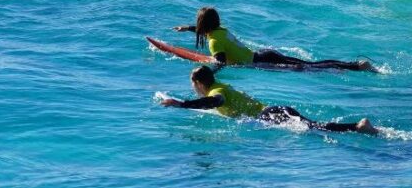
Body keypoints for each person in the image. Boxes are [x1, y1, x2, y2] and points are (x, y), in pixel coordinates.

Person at [160, 66, 379, 134]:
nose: (192, 88)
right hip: (274, 109)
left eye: (192, 84)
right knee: (313, 125)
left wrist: (181, 105)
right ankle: (358, 127)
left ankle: (358, 127)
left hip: (268, 114)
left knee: (313, 127)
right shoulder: (221, 85)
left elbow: (214, 102)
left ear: (199, 83)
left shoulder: (216, 92)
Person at [173, 7, 375, 72]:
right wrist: (189, 28)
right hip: (265, 55)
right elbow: (211, 33)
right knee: (310, 64)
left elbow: (221, 61)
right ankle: (356, 65)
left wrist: (208, 69)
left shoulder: (214, 41)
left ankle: (356, 67)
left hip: (263, 61)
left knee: (311, 68)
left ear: (203, 26)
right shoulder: (221, 31)